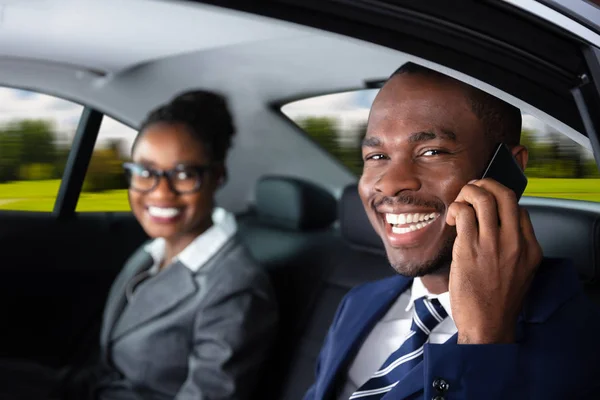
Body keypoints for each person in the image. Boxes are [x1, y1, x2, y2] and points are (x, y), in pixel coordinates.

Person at [303, 63, 600, 400]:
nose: (390, 183)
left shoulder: (580, 342)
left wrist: (483, 340)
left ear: (509, 170)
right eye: (377, 155)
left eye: (432, 152)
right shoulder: (359, 302)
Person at [73, 90, 278, 399]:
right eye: (145, 172)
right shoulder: (150, 253)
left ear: (217, 176)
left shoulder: (236, 288)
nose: (159, 192)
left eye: (183, 174)